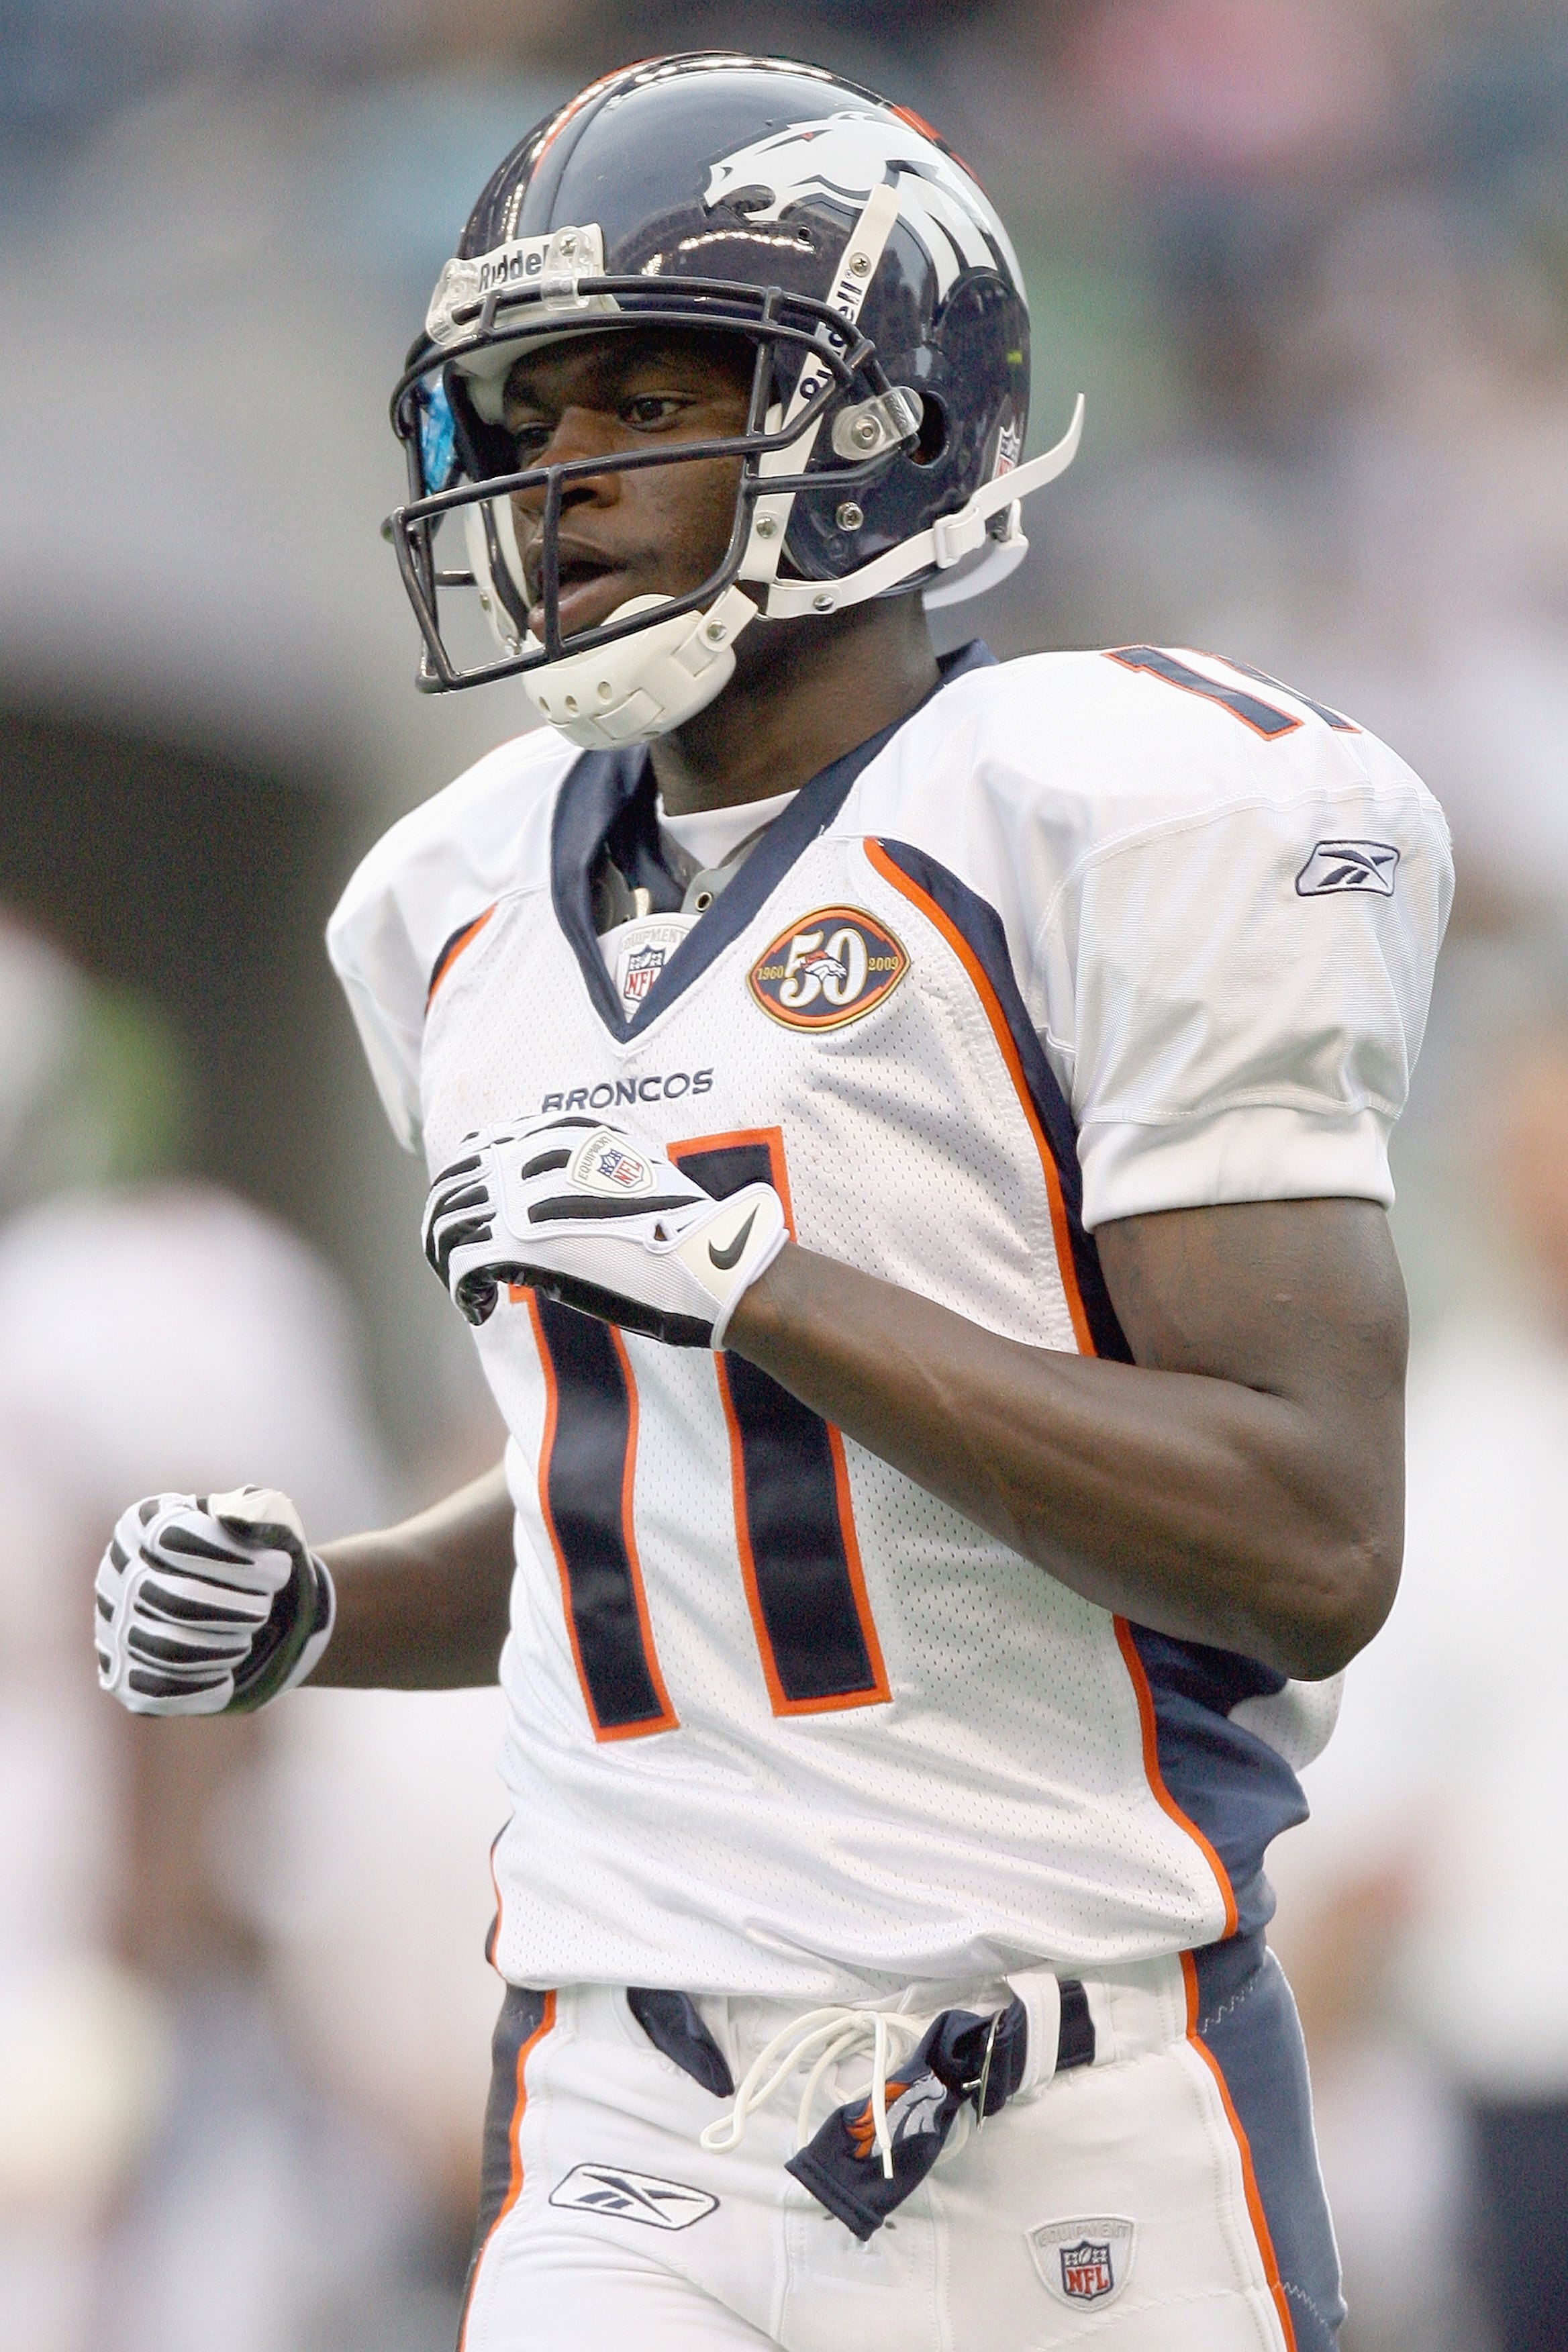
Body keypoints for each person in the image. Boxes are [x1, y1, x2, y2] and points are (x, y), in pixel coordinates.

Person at [93, 52, 1451, 2351]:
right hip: (640, 2106)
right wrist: (335, 1607)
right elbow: (646, 1518)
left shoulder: (1120, 814)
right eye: (524, 423)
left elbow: (1307, 1542)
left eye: (643, 400)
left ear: (889, 420)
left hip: (1079, 2097)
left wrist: (764, 1282)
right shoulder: (445, 905)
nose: (560, 480)